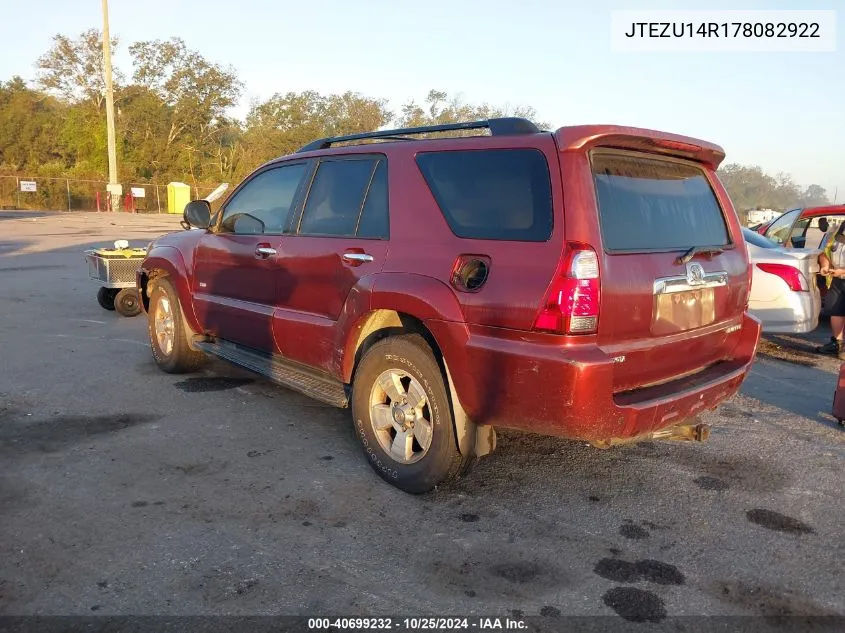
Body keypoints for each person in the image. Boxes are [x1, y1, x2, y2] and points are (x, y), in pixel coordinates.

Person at [816, 221, 845, 358]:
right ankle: (838, 344)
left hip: (841, 274)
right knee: (835, 310)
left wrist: (843, 271)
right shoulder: (835, 230)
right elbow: (824, 253)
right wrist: (825, 265)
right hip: (837, 280)